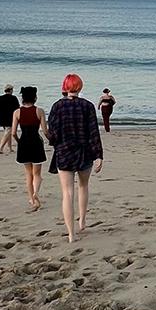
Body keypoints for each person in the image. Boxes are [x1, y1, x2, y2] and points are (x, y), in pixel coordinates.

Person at [47, 73, 104, 243]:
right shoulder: (88, 106)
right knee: (83, 186)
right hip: (84, 151)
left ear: (65, 87)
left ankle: (71, 233)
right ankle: (82, 220)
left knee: (67, 193)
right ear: (80, 87)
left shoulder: (57, 106)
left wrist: (52, 139)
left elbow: (53, 134)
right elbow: (94, 132)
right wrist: (99, 154)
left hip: (64, 152)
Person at [11, 86, 46, 211]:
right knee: (37, 174)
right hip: (36, 142)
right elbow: (45, 130)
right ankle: (36, 192)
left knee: (28, 174)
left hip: (24, 143)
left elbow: (13, 132)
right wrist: (50, 139)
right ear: (35, 98)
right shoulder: (39, 111)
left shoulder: (17, 112)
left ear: (22, 98)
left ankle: (31, 198)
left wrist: (19, 142)